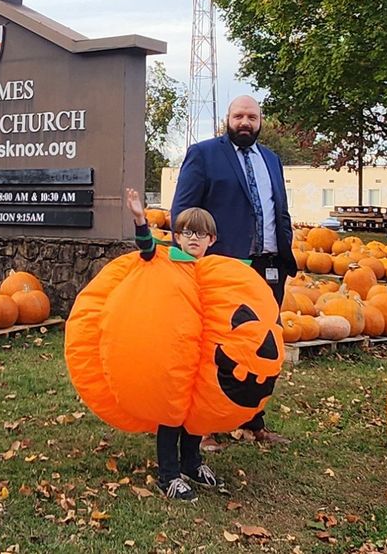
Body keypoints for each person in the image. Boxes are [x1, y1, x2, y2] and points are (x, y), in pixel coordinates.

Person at [171, 95, 297, 445]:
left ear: (260, 121)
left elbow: (279, 209)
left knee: (263, 345)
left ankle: (253, 422)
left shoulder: (271, 159)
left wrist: (286, 254)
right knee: (218, 348)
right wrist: (193, 257)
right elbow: (182, 213)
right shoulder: (205, 154)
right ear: (227, 119)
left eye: (252, 117)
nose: (245, 122)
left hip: (268, 266)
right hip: (224, 268)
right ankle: (203, 427)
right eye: (238, 115)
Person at [126, 187, 221, 502]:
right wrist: (141, 219)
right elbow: (146, 248)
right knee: (171, 413)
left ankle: (191, 463)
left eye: (201, 233)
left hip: (202, 353)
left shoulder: (216, 270)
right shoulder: (167, 259)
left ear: (212, 240)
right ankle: (168, 475)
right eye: (187, 232)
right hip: (172, 351)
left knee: (196, 412)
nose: (194, 238)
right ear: (177, 237)